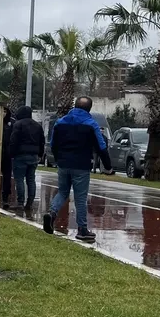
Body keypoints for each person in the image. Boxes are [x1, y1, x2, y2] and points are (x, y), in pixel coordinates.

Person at [42, 96, 112, 242]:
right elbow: (101, 146)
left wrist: (58, 158)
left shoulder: (60, 122)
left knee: (62, 191)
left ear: (75, 105)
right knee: (80, 197)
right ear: (89, 109)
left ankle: (52, 213)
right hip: (81, 165)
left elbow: (53, 143)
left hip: (63, 163)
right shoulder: (91, 124)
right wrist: (108, 165)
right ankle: (82, 229)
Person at [9, 105, 44, 220]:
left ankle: (20, 202)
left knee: (19, 179)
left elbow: (13, 140)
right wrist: (40, 154)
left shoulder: (18, 125)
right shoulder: (38, 126)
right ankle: (30, 202)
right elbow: (42, 141)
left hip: (20, 155)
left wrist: (12, 153)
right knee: (31, 179)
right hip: (33, 156)